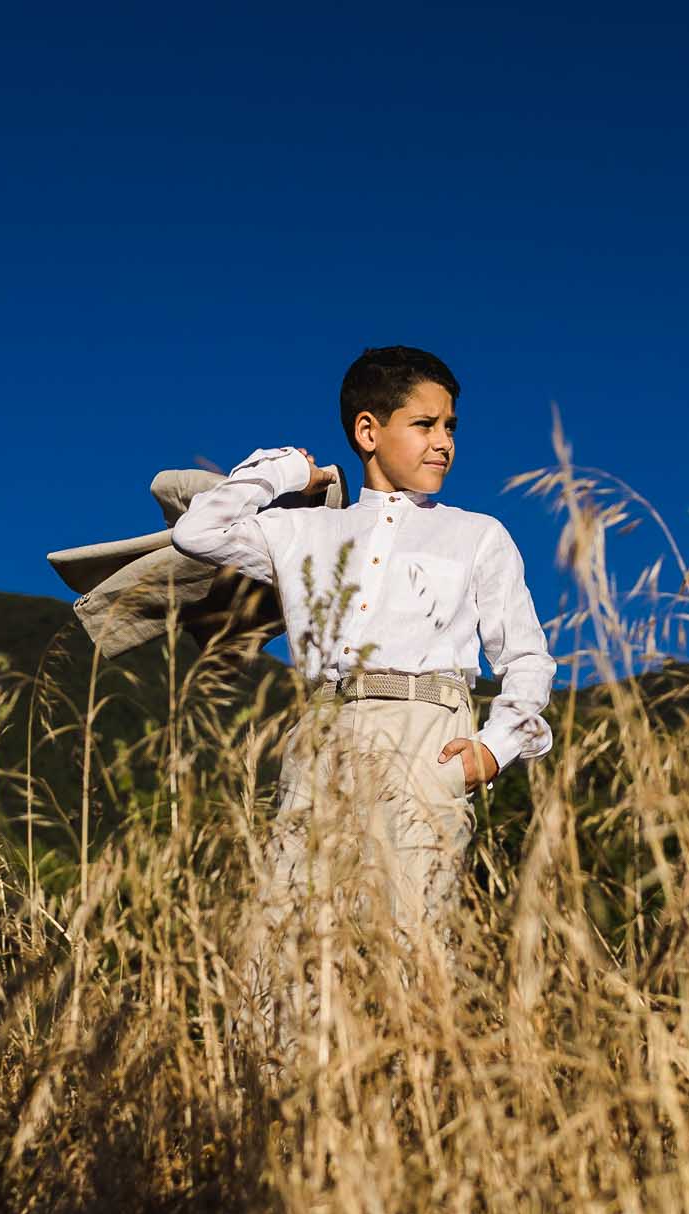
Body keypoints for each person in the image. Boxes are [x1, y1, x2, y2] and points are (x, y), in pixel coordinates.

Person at [169, 345, 556, 1070]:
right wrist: (291, 471)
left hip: (428, 740)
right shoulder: (305, 531)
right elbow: (200, 530)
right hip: (324, 736)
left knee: (413, 945)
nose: (443, 440)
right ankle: (279, 1131)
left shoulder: (477, 536)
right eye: (423, 423)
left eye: (450, 425)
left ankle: (406, 1130)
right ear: (368, 430)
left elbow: (527, 659)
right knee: (285, 940)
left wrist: (493, 748)